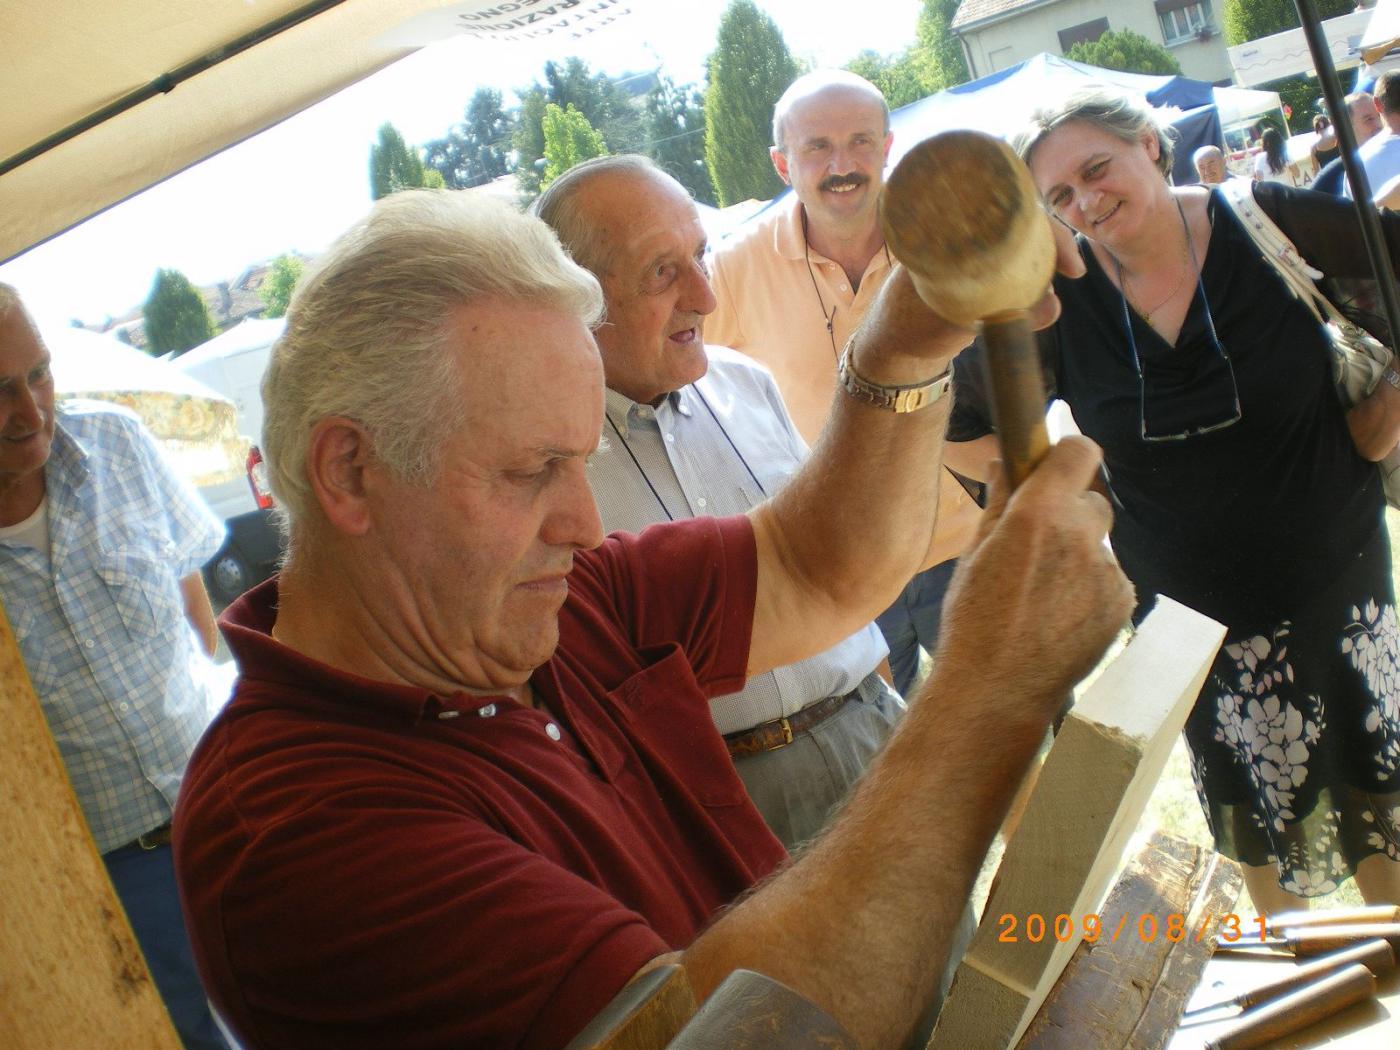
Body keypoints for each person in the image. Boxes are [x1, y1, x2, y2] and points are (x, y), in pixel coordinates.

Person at [172, 187, 1130, 1050]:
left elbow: (816, 563)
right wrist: (988, 686)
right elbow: (723, 1040)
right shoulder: (298, 835)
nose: (585, 523)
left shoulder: (543, 612)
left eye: (582, 462)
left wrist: (908, 338)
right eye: (528, 471)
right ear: (349, 471)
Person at [949, 87, 1400, 914]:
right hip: (1192, 626)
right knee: (1256, 840)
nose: (1087, 201)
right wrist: (1068, 483)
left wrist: (1390, 398)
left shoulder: (1266, 223)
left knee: (1385, 812)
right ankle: (1308, 997)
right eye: (1061, 197)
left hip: (1339, 582)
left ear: (1151, 146)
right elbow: (958, 427)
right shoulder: (1056, 297)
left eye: (1097, 169)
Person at [535, 155, 903, 851]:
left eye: (701, 255)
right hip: (717, 808)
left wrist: (884, 707)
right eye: (662, 272)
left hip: (873, 731)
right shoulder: (541, 466)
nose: (705, 296)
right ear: (575, 297)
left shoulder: (746, 383)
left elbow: (833, 584)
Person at [0, 285, 230, 1049]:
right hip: (106, 881)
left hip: (230, 810)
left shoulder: (119, 443)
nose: (30, 413)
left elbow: (195, 605)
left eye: (38, 374)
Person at [706, 69, 980, 696]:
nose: (842, 164)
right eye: (817, 147)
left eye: (860, 141)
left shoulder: (944, 243)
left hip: (965, 546)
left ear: (888, 148)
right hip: (840, 567)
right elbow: (680, 382)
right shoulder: (733, 269)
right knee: (881, 762)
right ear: (782, 163)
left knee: (1015, 738)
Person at [1314, 91, 1384, 196]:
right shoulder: (1332, 177)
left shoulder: (1395, 154)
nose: (1379, 125)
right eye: (1368, 119)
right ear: (1348, 127)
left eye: (1380, 116)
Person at [1346, 71, 1400, 204]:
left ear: (1377, 104)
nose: (1376, 125)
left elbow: (1349, 219)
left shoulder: (1355, 164)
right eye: (1368, 119)